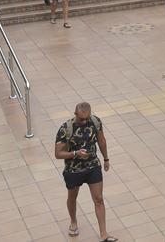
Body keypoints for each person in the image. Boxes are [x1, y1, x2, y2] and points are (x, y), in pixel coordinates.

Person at [54, 102, 115, 242]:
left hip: (92, 166)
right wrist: (75, 153)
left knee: (99, 199)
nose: (85, 121)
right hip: (73, 170)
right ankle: (73, 221)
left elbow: (101, 140)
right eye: (82, 119)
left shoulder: (95, 121)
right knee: (72, 198)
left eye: (87, 118)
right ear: (75, 114)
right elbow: (58, 154)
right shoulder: (65, 129)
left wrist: (106, 159)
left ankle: (104, 234)